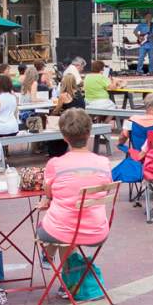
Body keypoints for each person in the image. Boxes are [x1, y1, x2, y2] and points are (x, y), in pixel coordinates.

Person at [36, 108, 112, 294]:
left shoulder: (55, 164)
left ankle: (59, 268)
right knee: (68, 222)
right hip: (97, 229)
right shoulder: (103, 163)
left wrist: (49, 199)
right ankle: (68, 282)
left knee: (59, 226)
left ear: (64, 137)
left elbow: (49, 191)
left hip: (63, 229)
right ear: (89, 133)